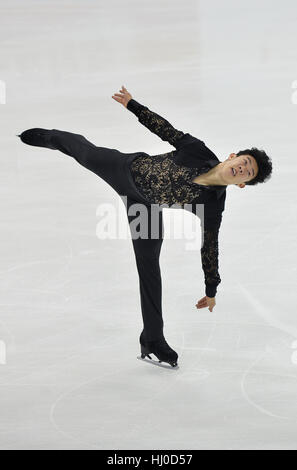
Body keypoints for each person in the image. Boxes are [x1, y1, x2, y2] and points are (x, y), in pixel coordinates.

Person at [18, 85, 273, 369]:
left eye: (248, 174)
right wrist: (133, 105)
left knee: (150, 268)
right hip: (125, 169)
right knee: (85, 152)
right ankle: (51, 137)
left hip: (144, 208)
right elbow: (167, 131)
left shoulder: (213, 203)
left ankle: (152, 340)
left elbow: (209, 246)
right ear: (232, 156)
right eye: (245, 162)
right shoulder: (198, 152)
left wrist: (211, 289)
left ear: (241, 184)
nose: (243, 169)